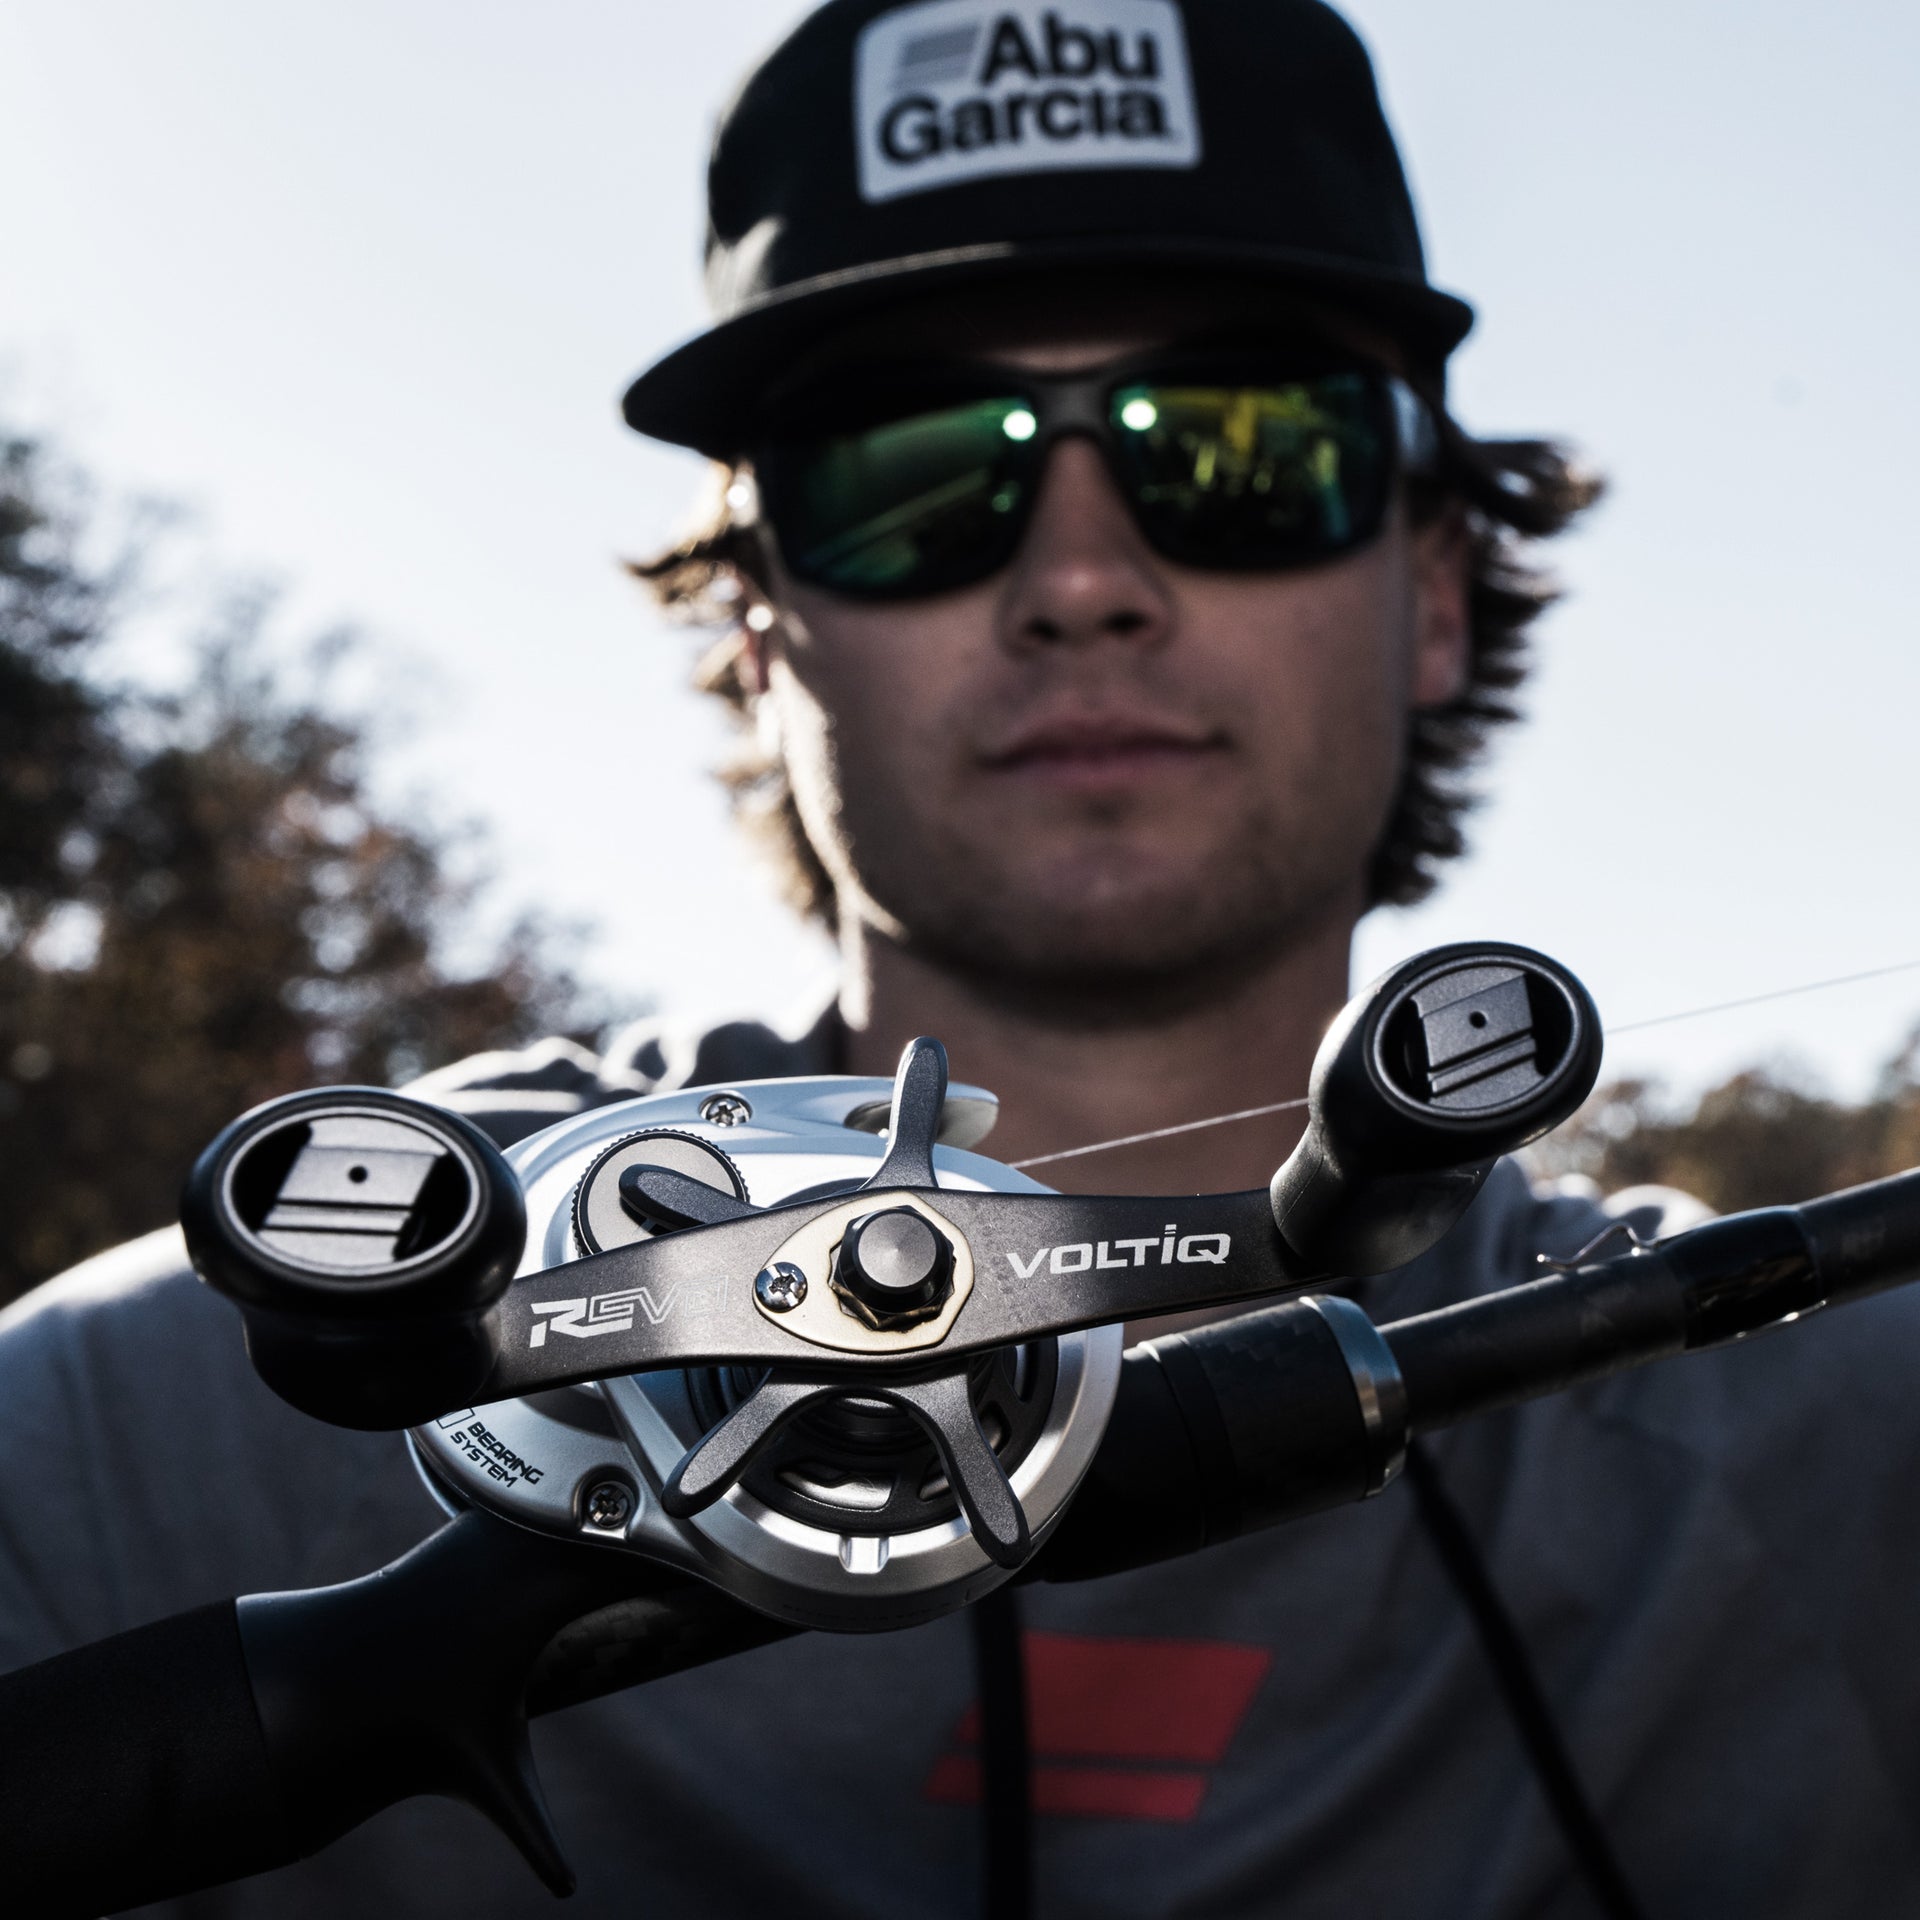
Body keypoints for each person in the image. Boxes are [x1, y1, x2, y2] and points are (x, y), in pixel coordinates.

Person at [5, 3, 1920, 1916]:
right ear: (759, 622)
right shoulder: (122, 1437)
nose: (1082, 577)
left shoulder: (1834, 1450)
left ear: (1430, 590)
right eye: (910, 472)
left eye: (1238, 451)